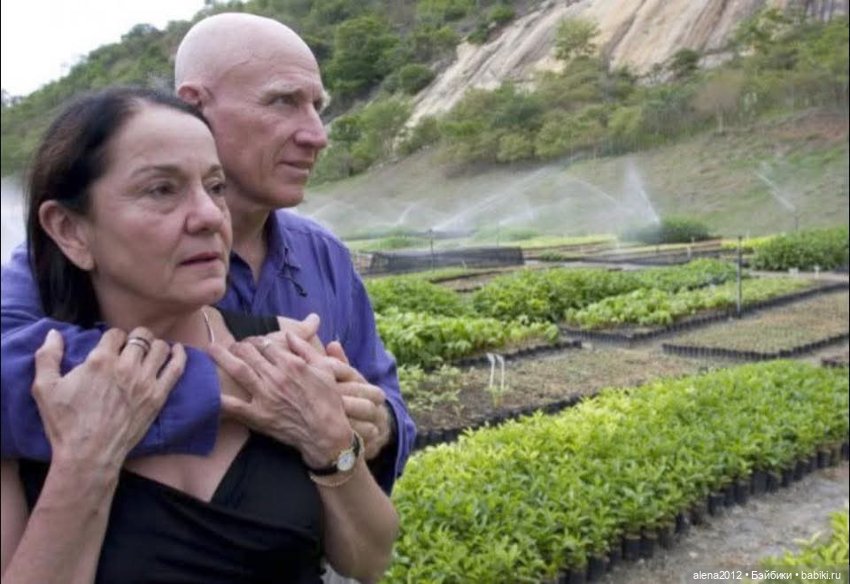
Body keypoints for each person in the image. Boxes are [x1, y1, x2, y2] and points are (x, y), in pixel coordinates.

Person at [1, 12, 415, 495]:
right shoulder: (80, 253)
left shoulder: (325, 257)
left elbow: (387, 401)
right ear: (194, 107)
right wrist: (239, 382)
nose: (316, 134)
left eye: (317, 106)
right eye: (283, 101)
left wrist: (377, 423)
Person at [0, 87, 399, 584]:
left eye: (214, 187)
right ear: (70, 230)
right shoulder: (35, 397)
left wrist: (333, 445)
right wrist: (86, 466)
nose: (210, 216)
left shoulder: (287, 352)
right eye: (161, 190)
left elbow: (369, 559)